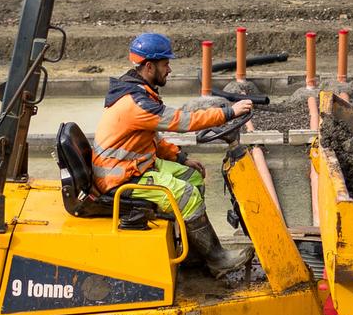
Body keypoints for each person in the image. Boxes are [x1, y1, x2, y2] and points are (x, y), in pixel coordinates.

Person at [93, 32, 253, 275]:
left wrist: (181, 158)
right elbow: (183, 121)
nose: (169, 70)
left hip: (134, 167)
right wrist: (228, 112)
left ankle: (191, 252)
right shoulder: (136, 102)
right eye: (165, 64)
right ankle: (217, 258)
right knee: (186, 195)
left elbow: (152, 140)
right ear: (149, 66)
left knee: (192, 177)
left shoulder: (138, 92)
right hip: (121, 178)